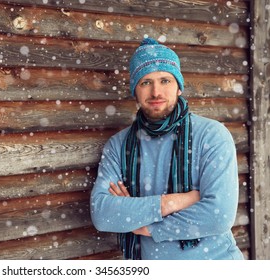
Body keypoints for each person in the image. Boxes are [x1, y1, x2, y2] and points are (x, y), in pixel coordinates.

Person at [90, 37, 244, 260]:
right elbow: (103, 214)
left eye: (165, 80)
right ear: (135, 90)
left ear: (179, 87)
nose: (156, 92)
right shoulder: (119, 145)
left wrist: (147, 226)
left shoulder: (211, 135)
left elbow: (218, 216)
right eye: (145, 82)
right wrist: (176, 201)